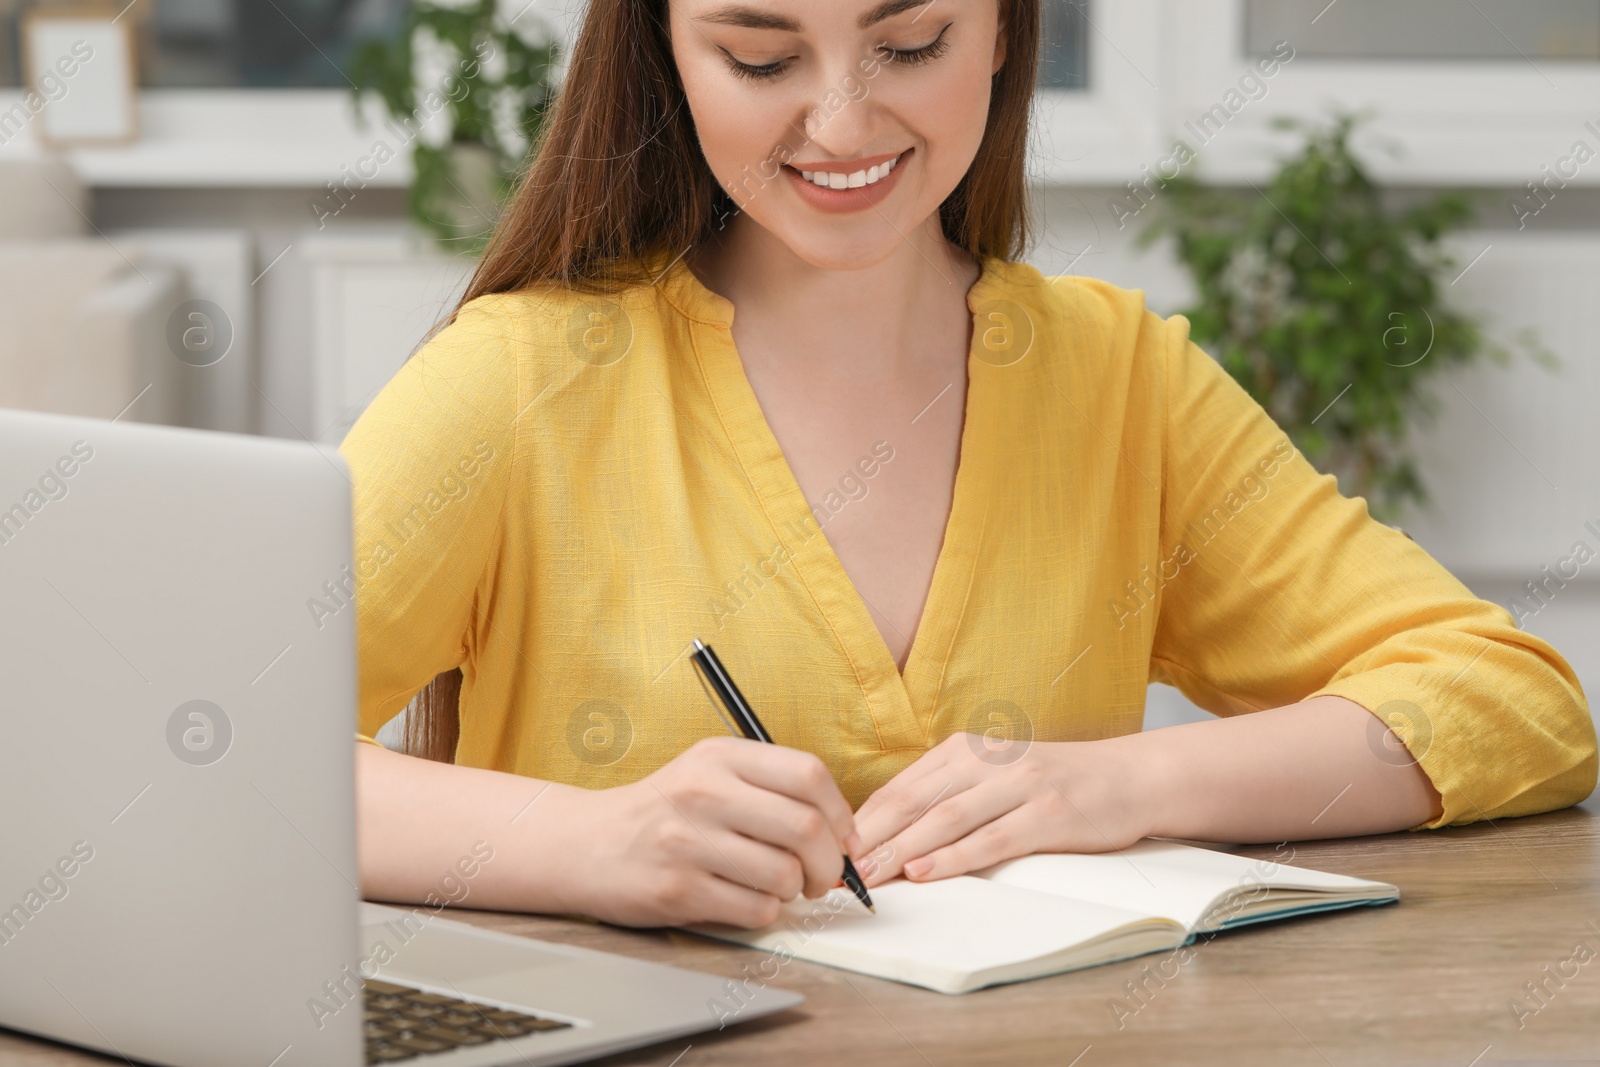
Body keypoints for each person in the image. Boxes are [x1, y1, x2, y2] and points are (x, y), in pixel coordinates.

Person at [342, 0, 1597, 930]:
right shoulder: (521, 381)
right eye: (759, 57)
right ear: (663, 52)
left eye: (912, 42)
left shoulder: (1116, 380)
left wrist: (1119, 786)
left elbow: (1513, 702)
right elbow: (198, 738)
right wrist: (591, 842)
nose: (840, 122)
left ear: (1001, 29)